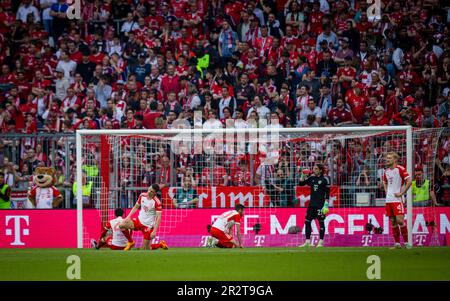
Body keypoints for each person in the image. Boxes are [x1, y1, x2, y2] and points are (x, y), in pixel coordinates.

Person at [119, 184, 168, 250]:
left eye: (151, 191)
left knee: (146, 249)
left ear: (155, 193)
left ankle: (160, 244)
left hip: (148, 226)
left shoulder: (157, 202)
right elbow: (136, 206)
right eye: (149, 189)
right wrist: (128, 217)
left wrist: (154, 231)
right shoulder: (142, 195)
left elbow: (158, 218)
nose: (149, 192)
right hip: (138, 221)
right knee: (122, 225)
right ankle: (131, 242)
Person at [382, 152, 412, 249]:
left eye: (389, 158)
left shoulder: (400, 169)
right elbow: (384, 181)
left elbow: (409, 181)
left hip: (397, 199)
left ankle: (407, 243)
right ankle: (397, 244)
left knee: (400, 221)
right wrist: (386, 189)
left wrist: (402, 193)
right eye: (387, 158)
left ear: (395, 160)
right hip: (389, 200)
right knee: (393, 222)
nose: (387, 160)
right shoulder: (386, 171)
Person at [298, 164, 330, 247]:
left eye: (316, 169)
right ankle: (307, 242)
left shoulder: (325, 179)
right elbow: (301, 183)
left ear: (320, 170)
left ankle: (321, 242)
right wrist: (302, 175)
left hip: (320, 205)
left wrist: (326, 205)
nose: (314, 170)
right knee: (307, 222)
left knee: (321, 223)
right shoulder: (312, 178)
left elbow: (328, 194)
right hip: (311, 205)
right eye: (313, 168)